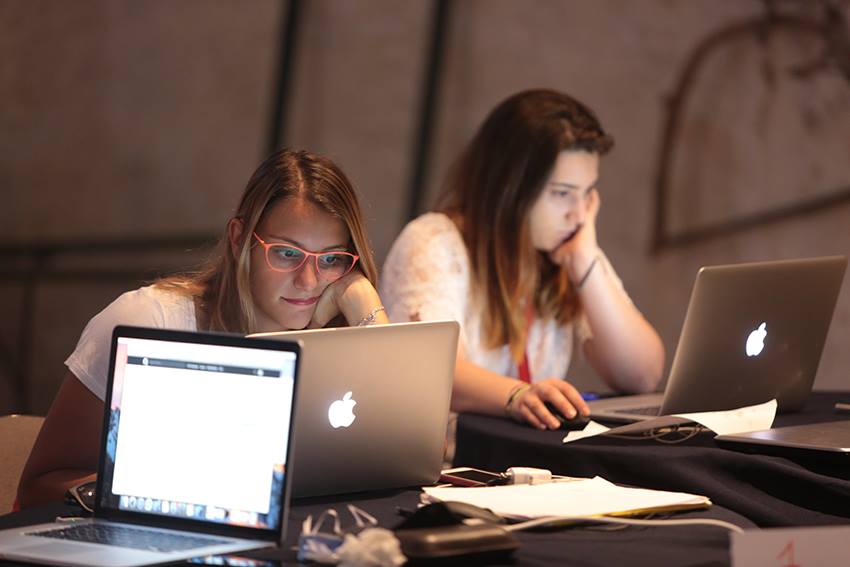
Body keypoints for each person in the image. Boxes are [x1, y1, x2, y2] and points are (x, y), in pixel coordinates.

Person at [17, 148, 388, 507]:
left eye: (331, 259)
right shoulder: (148, 321)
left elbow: (398, 463)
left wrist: (366, 308)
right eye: (287, 253)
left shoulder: (338, 342)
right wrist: (171, 493)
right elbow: (36, 490)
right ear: (239, 239)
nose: (309, 281)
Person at [381, 89, 665, 434]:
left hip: (525, 460)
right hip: (452, 458)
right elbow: (431, 369)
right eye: (562, 193)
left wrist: (585, 264)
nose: (579, 215)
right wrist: (516, 395)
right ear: (510, 188)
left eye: (587, 193)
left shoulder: (569, 249)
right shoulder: (433, 241)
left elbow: (642, 375)